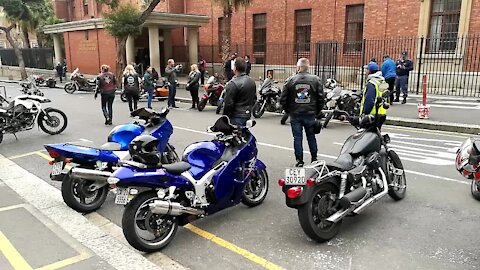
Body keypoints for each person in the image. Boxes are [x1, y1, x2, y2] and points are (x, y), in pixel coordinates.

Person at [280, 58, 324, 167]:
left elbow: (283, 98)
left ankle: (299, 160)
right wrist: (317, 111)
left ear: (299, 67)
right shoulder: (316, 80)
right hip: (310, 113)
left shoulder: (291, 80)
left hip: (295, 113)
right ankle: (314, 158)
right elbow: (321, 98)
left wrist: (287, 110)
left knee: (297, 137)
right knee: (311, 136)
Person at [223, 57, 257, 127]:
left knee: (234, 135)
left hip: (236, 116)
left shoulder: (232, 83)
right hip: (247, 115)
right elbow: (254, 99)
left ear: (235, 68)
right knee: (243, 134)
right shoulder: (251, 81)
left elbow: (228, 104)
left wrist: (225, 118)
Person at [361, 61, 387, 129]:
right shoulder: (382, 81)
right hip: (381, 113)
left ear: (370, 71)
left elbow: (369, 100)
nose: (365, 72)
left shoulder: (371, 83)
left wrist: (365, 114)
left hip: (372, 114)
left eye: (366, 70)